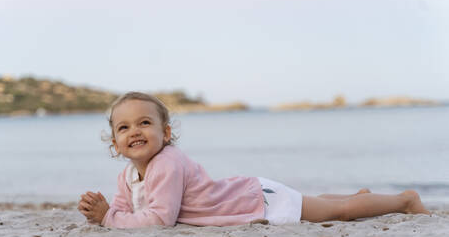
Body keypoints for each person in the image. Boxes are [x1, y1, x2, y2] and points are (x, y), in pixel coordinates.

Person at [77, 92, 430, 229]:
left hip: (255, 200)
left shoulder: (167, 163)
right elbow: (125, 206)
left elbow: (158, 220)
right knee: (320, 205)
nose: (134, 131)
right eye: (124, 127)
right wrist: (105, 209)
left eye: (144, 123)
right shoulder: (129, 175)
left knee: (338, 213)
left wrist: (108, 218)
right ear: (115, 144)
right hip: (249, 194)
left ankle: (404, 200)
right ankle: (359, 196)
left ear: (165, 133)